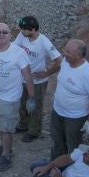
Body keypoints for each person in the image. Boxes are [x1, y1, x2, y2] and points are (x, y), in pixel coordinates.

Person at [0, 23, 35, 172]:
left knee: (6, 128)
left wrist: (31, 97)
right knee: (1, 124)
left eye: (4, 32)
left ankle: (6, 156)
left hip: (10, 97)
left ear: (10, 35)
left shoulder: (18, 53)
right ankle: (5, 147)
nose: (1, 35)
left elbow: (28, 76)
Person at [50, 39, 89, 160]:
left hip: (75, 117)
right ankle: (55, 163)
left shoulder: (88, 74)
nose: (64, 53)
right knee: (57, 139)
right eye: (65, 50)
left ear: (78, 56)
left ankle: (72, 170)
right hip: (57, 111)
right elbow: (62, 81)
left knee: (73, 146)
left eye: (68, 51)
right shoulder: (65, 62)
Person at [12, 15, 61, 143]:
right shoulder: (22, 36)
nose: (22, 31)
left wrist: (47, 73)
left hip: (37, 82)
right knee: (22, 104)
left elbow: (58, 60)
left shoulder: (44, 42)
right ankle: (23, 125)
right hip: (22, 78)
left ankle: (34, 131)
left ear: (33, 29)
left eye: (25, 29)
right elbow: (14, 49)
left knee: (35, 107)